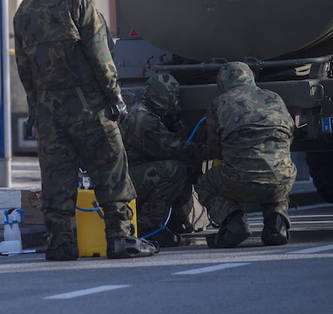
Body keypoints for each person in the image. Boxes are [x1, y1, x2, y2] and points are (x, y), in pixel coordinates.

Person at [13, 0, 158, 260]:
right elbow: (99, 51)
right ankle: (120, 238)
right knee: (110, 167)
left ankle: (60, 243)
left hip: (51, 109)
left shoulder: (24, 11)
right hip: (88, 103)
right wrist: (113, 95)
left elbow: (25, 69)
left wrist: (36, 109)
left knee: (56, 175)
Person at [196, 61, 296, 248]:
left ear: (223, 82)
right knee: (280, 172)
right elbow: (289, 135)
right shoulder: (274, 97)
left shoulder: (219, 103)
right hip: (280, 181)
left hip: (239, 181)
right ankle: (277, 225)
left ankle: (234, 222)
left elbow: (215, 147)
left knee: (204, 183)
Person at [119, 73, 212, 247]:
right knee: (174, 170)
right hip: (127, 181)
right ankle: (149, 227)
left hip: (131, 176)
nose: (176, 103)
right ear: (163, 97)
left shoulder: (144, 113)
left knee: (181, 171)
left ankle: (176, 221)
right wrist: (210, 151)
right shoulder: (144, 120)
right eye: (173, 98)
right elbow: (174, 149)